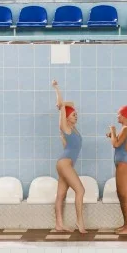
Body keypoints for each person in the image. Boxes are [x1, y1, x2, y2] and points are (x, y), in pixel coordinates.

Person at [51, 79, 86, 234]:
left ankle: (59, 224)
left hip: (65, 164)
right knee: (81, 190)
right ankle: (80, 222)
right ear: (66, 117)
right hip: (64, 164)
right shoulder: (65, 127)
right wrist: (57, 88)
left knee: (61, 194)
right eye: (73, 115)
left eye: (76, 114)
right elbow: (62, 107)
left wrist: (65, 104)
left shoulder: (74, 130)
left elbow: (70, 103)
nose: (76, 116)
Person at [107, 106, 127, 235]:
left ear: (124, 115)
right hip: (123, 164)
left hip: (124, 165)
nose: (117, 116)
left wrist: (112, 131)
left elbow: (116, 144)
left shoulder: (126, 128)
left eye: (118, 114)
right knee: (122, 196)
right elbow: (118, 143)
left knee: (125, 197)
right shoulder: (126, 129)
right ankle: (126, 225)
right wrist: (112, 135)